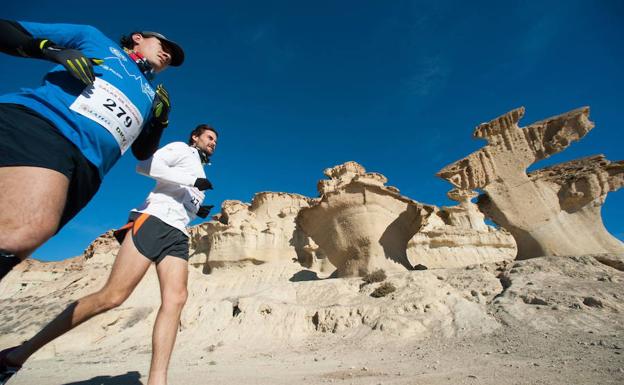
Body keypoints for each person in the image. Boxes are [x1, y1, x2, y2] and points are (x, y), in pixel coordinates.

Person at [0, 124, 218, 385]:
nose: (213, 143)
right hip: (154, 221)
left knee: (176, 299)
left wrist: (196, 208)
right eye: (209, 137)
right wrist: (192, 181)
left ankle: (157, 381)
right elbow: (146, 166)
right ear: (195, 137)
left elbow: (181, 197)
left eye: (215, 140)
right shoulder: (182, 149)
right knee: (112, 296)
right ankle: (16, 355)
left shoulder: (201, 169)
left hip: (178, 232)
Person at [0, 20, 185, 281]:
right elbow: (7, 28)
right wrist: (50, 50)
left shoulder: (149, 94)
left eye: (171, 57)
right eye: (163, 46)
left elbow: (142, 152)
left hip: (89, 171)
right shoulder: (96, 40)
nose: (167, 55)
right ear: (137, 37)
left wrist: (159, 122)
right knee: (23, 230)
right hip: (47, 127)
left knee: (20, 243)